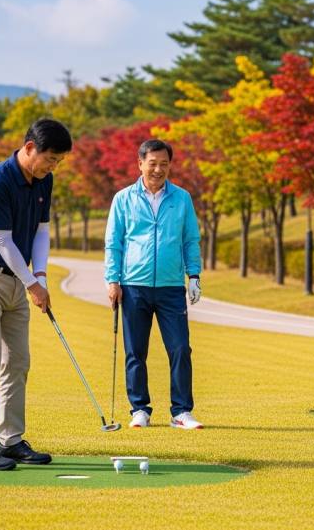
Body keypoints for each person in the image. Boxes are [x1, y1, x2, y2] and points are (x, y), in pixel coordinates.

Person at [0, 118, 71, 470]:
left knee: (18, 361)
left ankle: (10, 440)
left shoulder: (43, 180)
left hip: (17, 281)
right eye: (51, 159)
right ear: (30, 148)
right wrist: (33, 285)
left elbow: (41, 231)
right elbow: (2, 240)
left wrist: (40, 275)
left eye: (58, 162)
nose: (53, 167)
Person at [105, 139, 203, 430]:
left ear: (170, 165)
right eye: (153, 163)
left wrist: (194, 276)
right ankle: (139, 409)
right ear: (140, 164)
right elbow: (114, 243)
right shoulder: (123, 198)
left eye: (164, 164)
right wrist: (112, 280)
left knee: (180, 348)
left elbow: (190, 239)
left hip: (171, 286)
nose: (158, 169)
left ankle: (181, 411)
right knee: (136, 351)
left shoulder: (182, 198)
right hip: (133, 285)